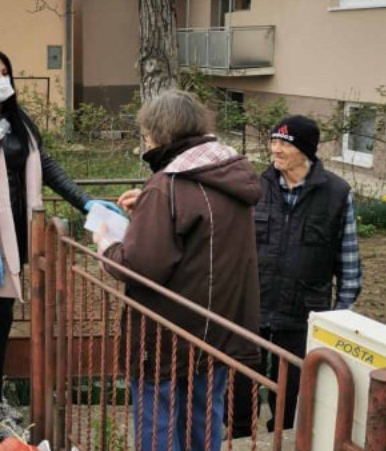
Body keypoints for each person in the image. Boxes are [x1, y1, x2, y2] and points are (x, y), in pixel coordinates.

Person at [0, 46, 120, 444]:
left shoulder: (16, 118)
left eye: (4, 71)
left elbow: (47, 165)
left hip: (24, 232)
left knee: (3, 319)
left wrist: (85, 199)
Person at [94, 90, 262, 451]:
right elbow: (204, 227)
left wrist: (106, 245)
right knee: (204, 420)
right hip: (217, 330)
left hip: (166, 337)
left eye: (145, 133)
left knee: (159, 426)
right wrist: (151, 206)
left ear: (159, 132)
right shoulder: (227, 174)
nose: (145, 140)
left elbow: (137, 267)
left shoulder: (167, 185)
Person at [230, 115, 363, 437]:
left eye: (283, 143)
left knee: (291, 389)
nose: (274, 149)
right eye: (273, 142)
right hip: (254, 303)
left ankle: (284, 437)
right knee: (241, 378)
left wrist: (336, 318)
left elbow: (349, 261)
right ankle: (240, 436)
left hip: (305, 310)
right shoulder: (255, 187)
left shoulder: (336, 193)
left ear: (305, 150)